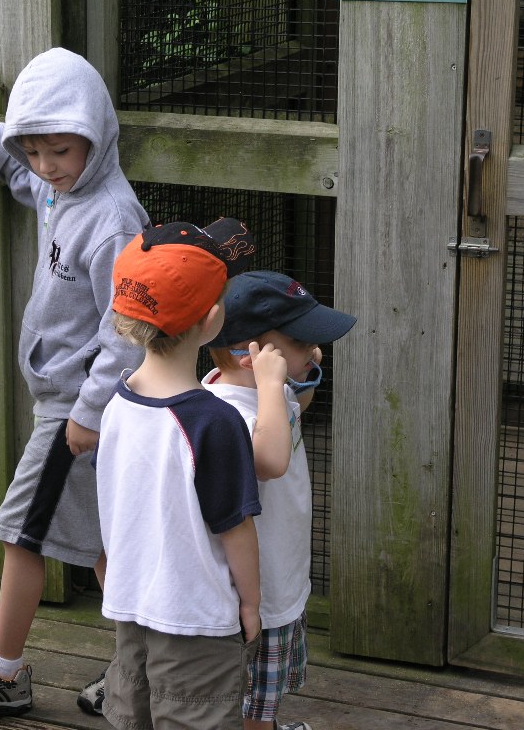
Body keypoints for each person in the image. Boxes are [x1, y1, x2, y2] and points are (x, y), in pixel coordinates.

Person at [0, 47, 150, 717]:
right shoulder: (61, 189)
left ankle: (3, 670)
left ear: (96, 136)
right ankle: (143, 671)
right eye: (35, 149)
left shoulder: (113, 219)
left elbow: (127, 328)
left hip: (79, 407)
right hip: (68, 400)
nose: (47, 166)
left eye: (61, 151)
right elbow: (24, 181)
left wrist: (89, 411)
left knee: (21, 532)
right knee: (105, 546)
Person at [96, 217, 263, 729]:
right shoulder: (215, 421)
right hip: (197, 623)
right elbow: (235, 527)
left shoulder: (116, 404)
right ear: (213, 320)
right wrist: (252, 605)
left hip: (131, 611)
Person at [204, 270, 357, 730]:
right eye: (300, 339)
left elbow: (293, 409)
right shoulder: (225, 414)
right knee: (252, 704)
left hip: (282, 577)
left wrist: (298, 373)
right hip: (256, 594)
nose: (314, 347)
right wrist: (275, 386)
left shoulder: (267, 395)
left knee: (263, 703)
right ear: (248, 354)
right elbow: (267, 461)